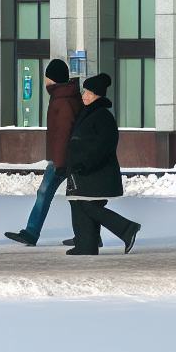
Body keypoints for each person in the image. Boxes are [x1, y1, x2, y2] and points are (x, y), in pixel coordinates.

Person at [6, 59, 82, 247]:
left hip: (62, 158)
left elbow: (63, 133)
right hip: (66, 156)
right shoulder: (63, 96)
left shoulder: (63, 100)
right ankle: (88, 235)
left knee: (45, 192)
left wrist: (59, 163)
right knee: (79, 198)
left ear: (53, 79)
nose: (45, 80)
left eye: (47, 76)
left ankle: (32, 232)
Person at [64, 73, 140, 256]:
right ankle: (86, 245)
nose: (83, 96)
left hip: (95, 173)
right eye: (83, 92)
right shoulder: (91, 113)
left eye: (87, 92)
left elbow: (104, 145)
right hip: (84, 172)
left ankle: (126, 229)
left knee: (88, 205)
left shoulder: (102, 115)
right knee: (79, 203)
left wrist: (85, 163)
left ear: (97, 94)